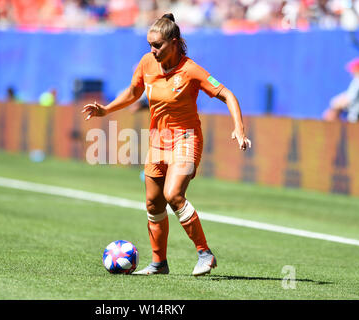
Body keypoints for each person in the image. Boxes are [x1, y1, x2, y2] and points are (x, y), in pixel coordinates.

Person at [82, 13, 251, 276]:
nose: (153, 50)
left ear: (174, 42)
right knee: (153, 204)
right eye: (150, 45)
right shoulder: (147, 63)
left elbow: (227, 94)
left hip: (186, 139)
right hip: (158, 142)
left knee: (173, 194)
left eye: (158, 45)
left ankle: (205, 253)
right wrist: (106, 110)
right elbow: (133, 92)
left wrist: (239, 130)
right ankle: (159, 263)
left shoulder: (190, 70)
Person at [323, 57, 359, 123]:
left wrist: (335, 105)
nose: (351, 71)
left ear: (358, 69)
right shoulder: (358, 81)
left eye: (353, 68)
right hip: (353, 115)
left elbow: (349, 99)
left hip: (354, 116)